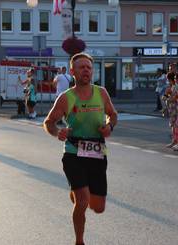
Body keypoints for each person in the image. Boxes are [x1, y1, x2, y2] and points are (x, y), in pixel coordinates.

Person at [43, 52, 117, 245]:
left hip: (97, 152)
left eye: (89, 67)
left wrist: (109, 126)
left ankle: (76, 192)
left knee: (98, 207)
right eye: (81, 67)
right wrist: (57, 132)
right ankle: (79, 241)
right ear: (72, 71)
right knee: (83, 201)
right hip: (73, 153)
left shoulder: (101, 93)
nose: (86, 70)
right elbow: (49, 122)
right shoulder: (66, 98)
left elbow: (113, 115)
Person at [163, 72, 178, 148]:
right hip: (172, 107)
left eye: (168, 79)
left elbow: (174, 97)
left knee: (174, 124)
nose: (168, 81)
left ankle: (175, 141)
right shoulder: (171, 86)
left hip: (175, 107)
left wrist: (167, 98)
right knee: (173, 124)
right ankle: (175, 141)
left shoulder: (175, 86)